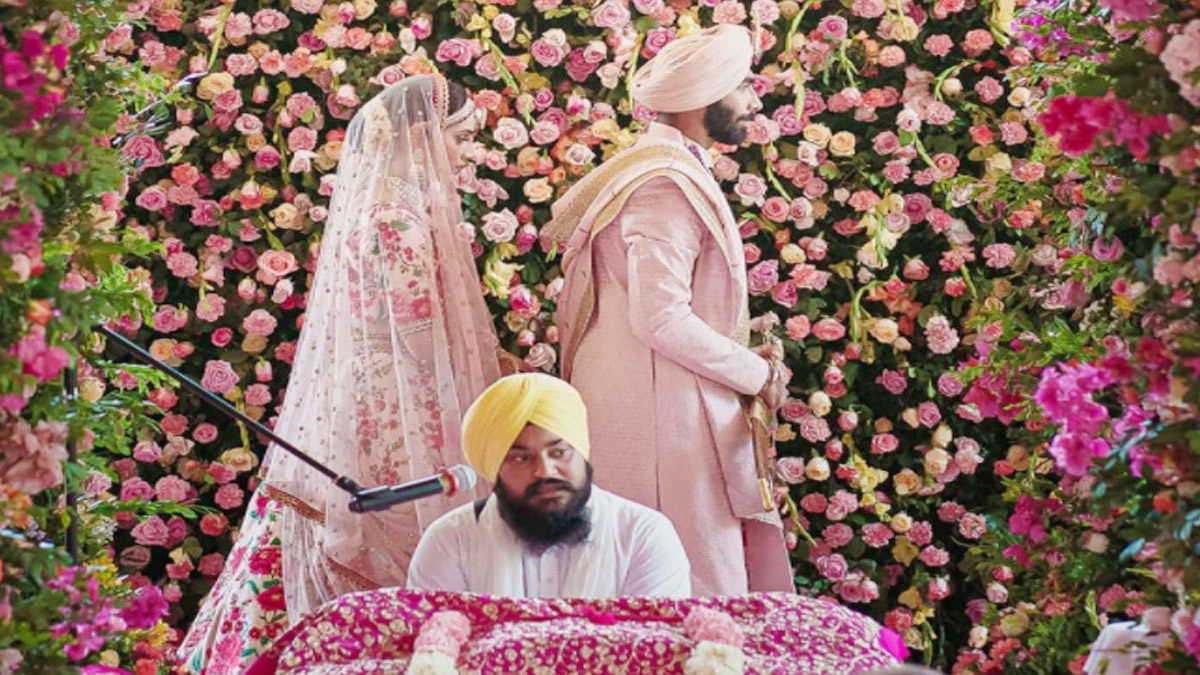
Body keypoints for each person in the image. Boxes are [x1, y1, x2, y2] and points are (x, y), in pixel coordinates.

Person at [179, 74, 504, 674]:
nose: (463, 154)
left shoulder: (379, 206)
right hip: (396, 392)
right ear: (420, 136)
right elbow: (414, 330)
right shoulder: (399, 220)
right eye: (456, 138)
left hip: (361, 385)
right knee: (391, 513)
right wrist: (472, 371)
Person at [543, 24, 793, 597]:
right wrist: (756, 373)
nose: (754, 101)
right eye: (742, 87)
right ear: (705, 97)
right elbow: (660, 317)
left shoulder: (656, 166)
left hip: (648, 397)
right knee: (678, 587)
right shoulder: (663, 183)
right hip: (658, 413)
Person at [406, 373, 692, 598]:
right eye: (520, 458)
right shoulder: (450, 541)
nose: (544, 471)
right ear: (495, 469)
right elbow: (432, 655)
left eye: (559, 452)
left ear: (581, 451)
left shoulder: (643, 536)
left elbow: (655, 655)